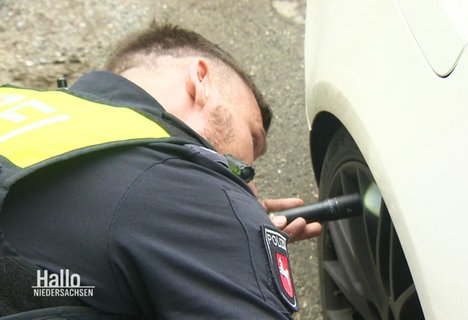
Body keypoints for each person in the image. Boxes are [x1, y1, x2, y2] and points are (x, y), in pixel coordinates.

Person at [0, 23, 321, 319]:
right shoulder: (193, 193)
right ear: (200, 80)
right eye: (253, 137)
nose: (248, 174)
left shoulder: (16, 104)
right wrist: (232, 231)